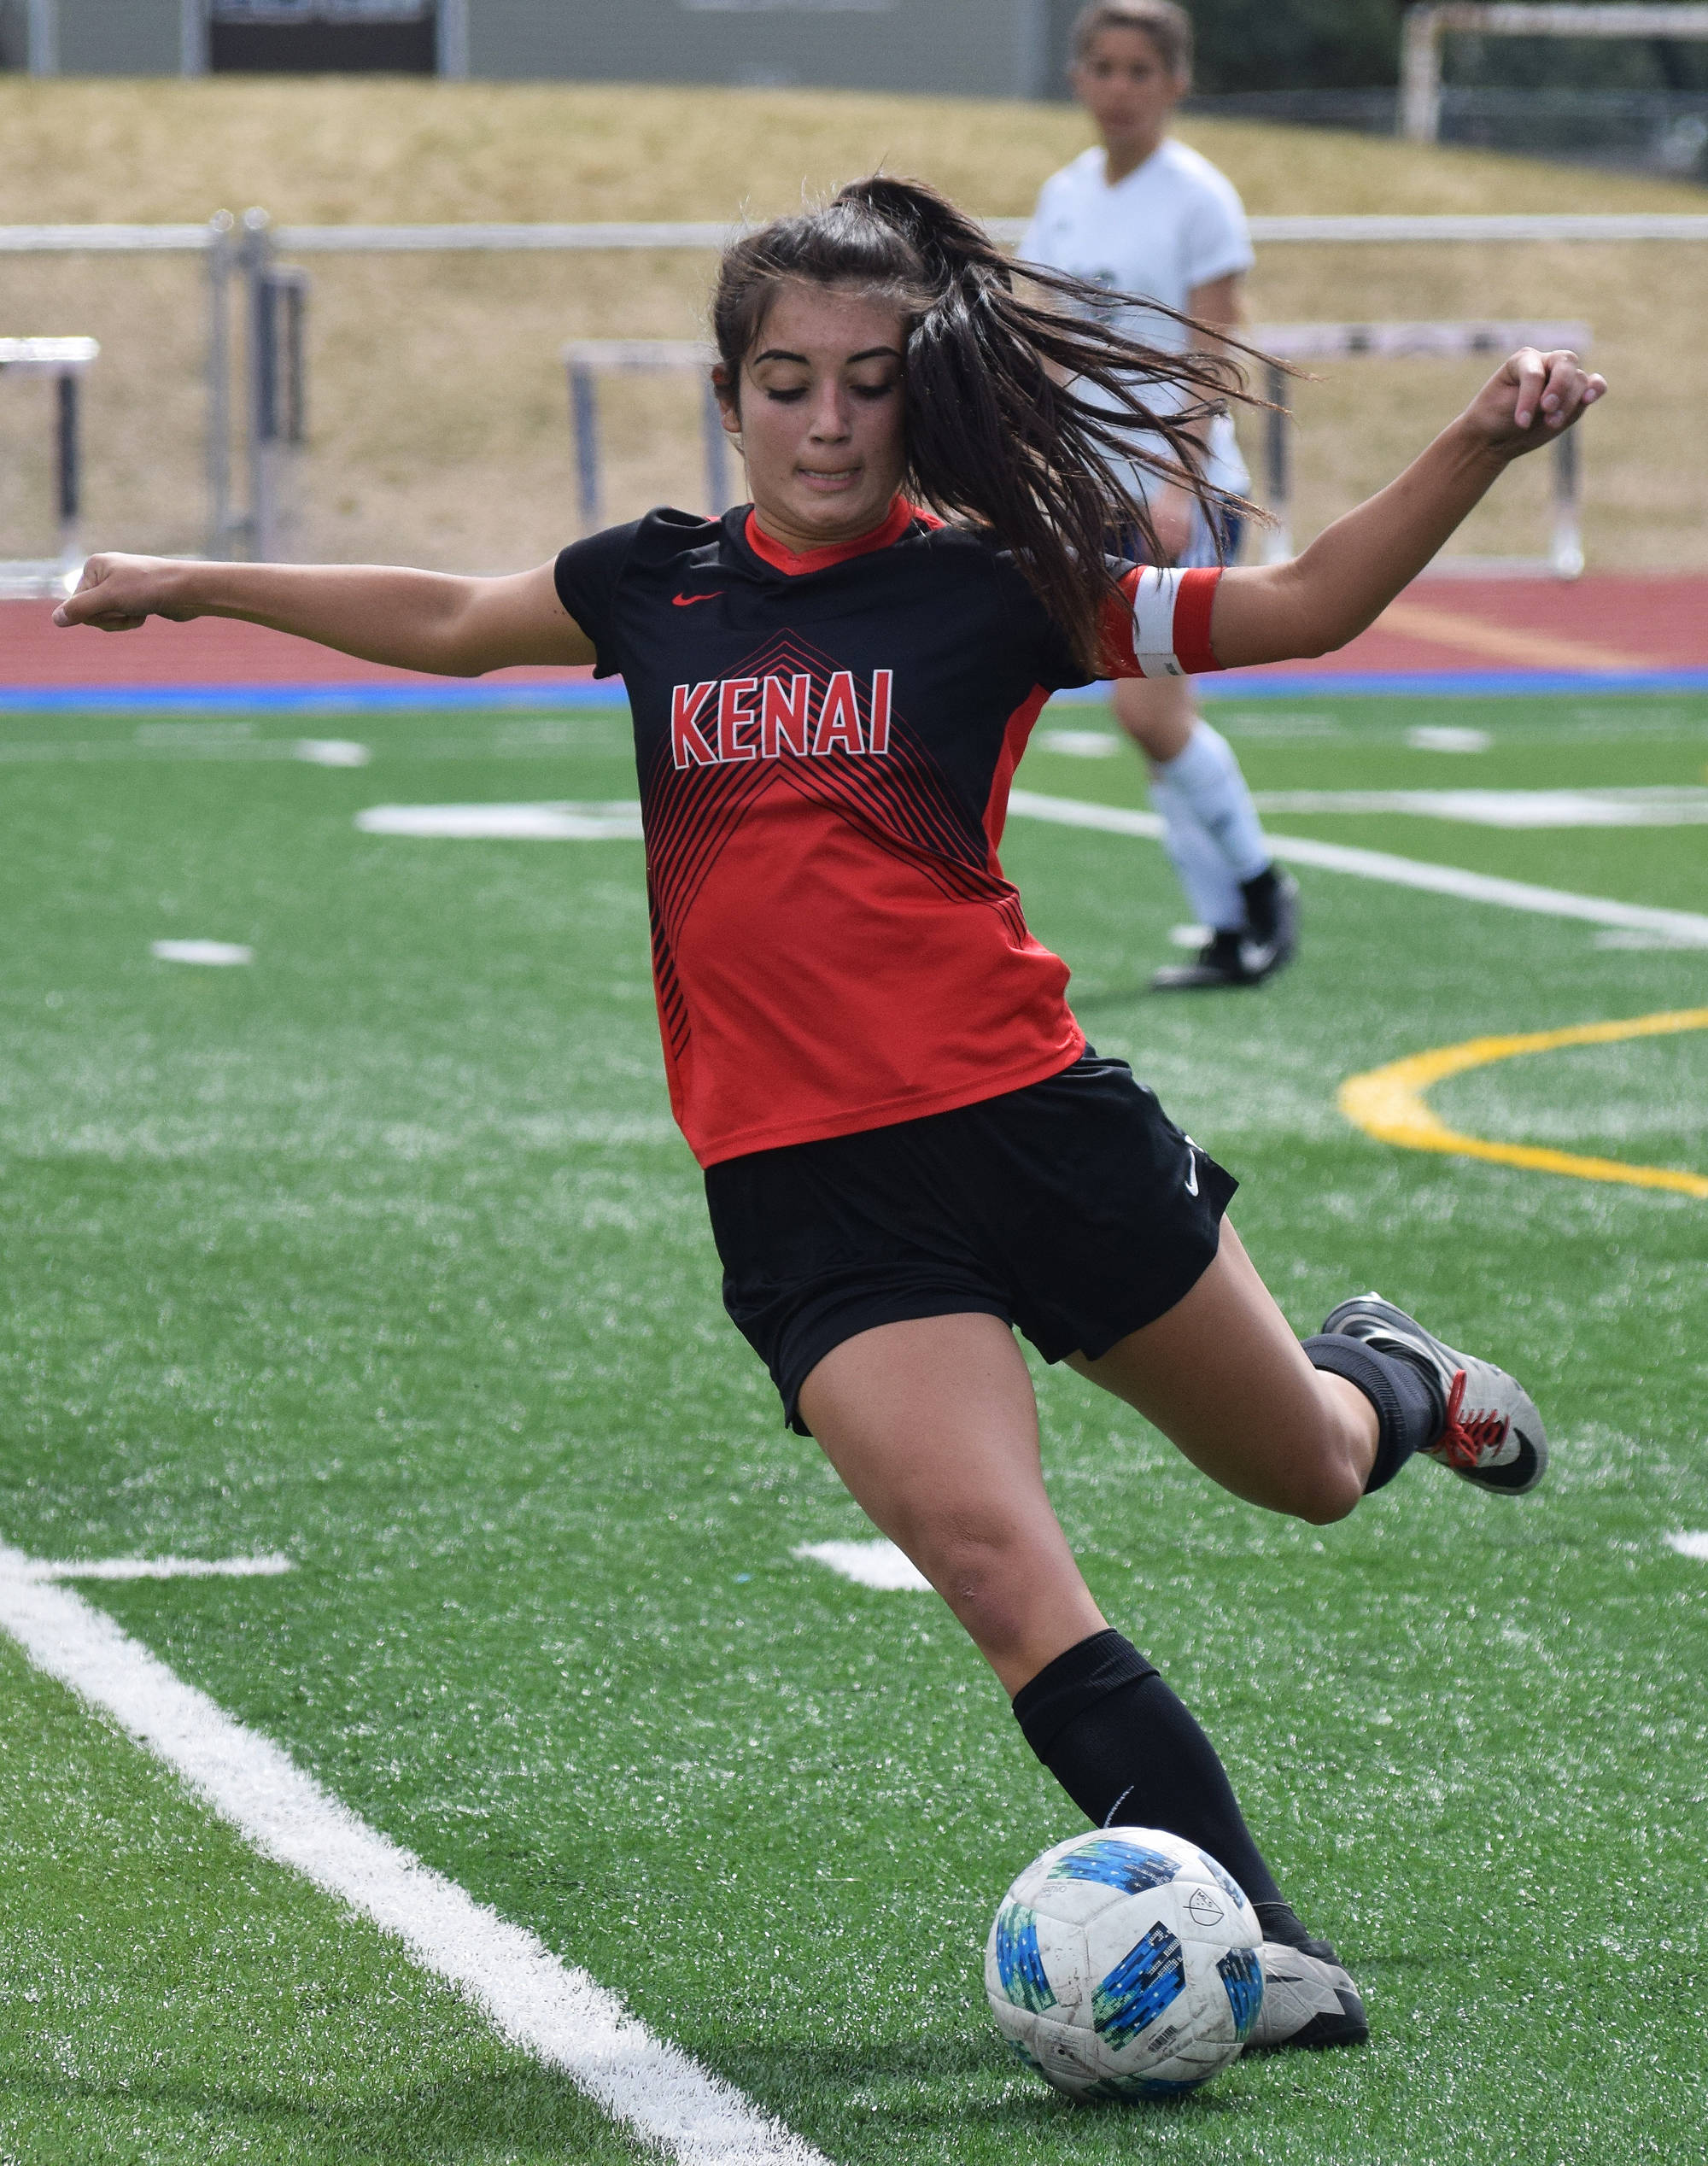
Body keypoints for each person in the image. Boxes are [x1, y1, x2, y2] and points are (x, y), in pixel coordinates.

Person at [55, 176, 1601, 2058]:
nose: (826, 420)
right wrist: (188, 575)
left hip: (1035, 1130)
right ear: (729, 394)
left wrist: (1474, 438)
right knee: (992, 1563)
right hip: (809, 1197)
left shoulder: (994, 584)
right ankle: (1248, 1942)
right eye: (786, 381)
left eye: (868, 383)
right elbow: (455, 615)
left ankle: (1379, 1371)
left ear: (915, 399)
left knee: (1302, 1471)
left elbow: (1299, 604)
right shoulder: (654, 580)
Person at [1021, 0, 1295, 992]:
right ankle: (1229, 924)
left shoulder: (1198, 197)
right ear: (1077, 78)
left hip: (1182, 490)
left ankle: (1260, 893)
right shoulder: (1062, 194)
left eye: (1140, 69)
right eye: (1102, 66)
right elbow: (1051, 350)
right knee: (1143, 718)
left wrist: (1176, 483)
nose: (1119, 86)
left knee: (1147, 711)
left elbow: (1211, 354)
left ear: (1175, 83)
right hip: (1096, 491)